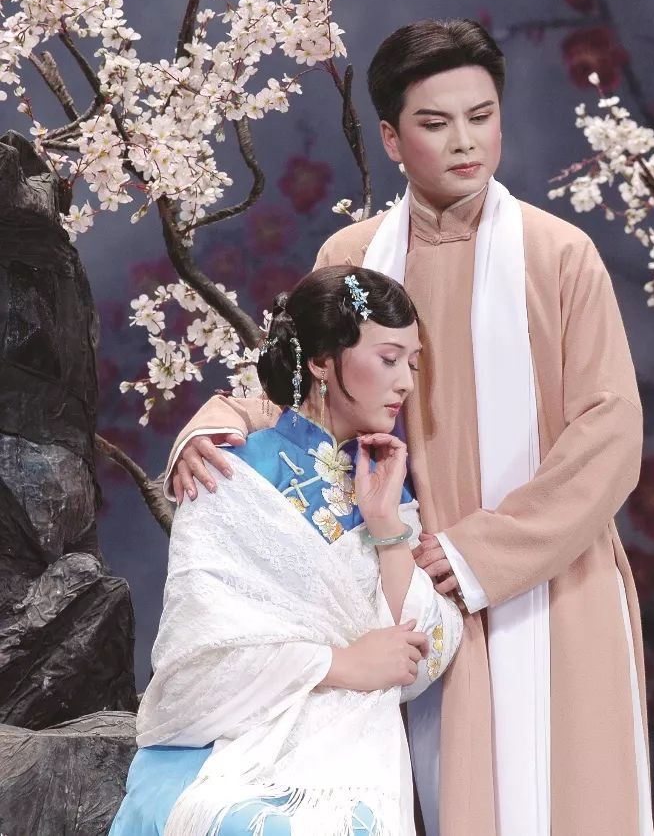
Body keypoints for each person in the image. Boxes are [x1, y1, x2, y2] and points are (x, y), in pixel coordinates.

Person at [162, 19, 651, 836]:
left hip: (552, 578)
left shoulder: (560, 255)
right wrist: (215, 421)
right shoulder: (355, 255)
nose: (466, 141)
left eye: (482, 116)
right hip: (406, 585)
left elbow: (611, 432)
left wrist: (481, 550)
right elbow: (312, 390)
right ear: (391, 138)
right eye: (435, 122)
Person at [110, 266, 463, 835]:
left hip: (349, 747)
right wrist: (340, 663)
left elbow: (423, 651)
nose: (405, 383)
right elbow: (193, 663)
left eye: (413, 364)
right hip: (229, 745)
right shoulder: (228, 470)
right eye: (388, 358)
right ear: (321, 362)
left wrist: (384, 526)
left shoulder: (388, 485)